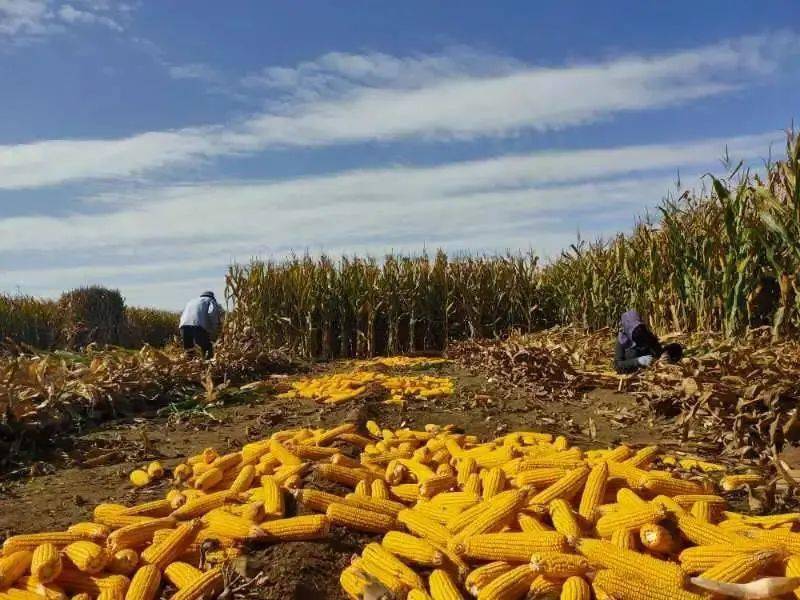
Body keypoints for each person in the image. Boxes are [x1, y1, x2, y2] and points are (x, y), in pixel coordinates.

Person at [614, 309, 682, 373]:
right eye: (633, 328)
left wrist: (663, 356)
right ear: (627, 327)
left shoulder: (645, 334)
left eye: (638, 326)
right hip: (634, 369)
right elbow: (617, 365)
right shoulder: (622, 341)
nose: (637, 330)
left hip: (651, 365)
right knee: (632, 353)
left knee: (675, 347)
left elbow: (657, 350)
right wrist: (637, 361)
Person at [179, 291, 221, 359]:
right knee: (207, 347)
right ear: (212, 297)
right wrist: (214, 329)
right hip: (197, 326)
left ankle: (189, 366)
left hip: (183, 326)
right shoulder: (210, 300)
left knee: (189, 350)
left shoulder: (192, 301)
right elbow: (212, 314)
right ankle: (208, 365)